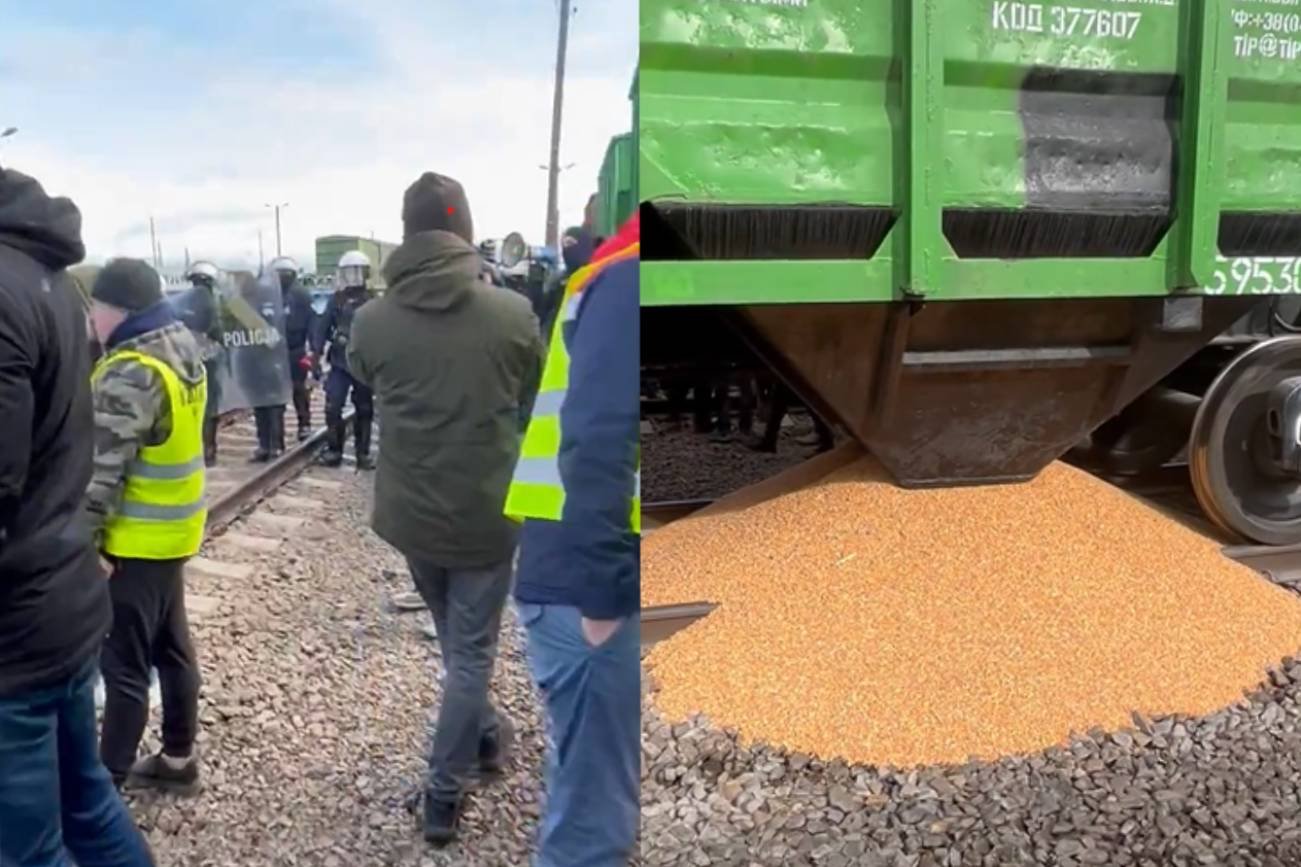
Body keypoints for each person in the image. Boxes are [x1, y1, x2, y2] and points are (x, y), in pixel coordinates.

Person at [347, 172, 544, 844]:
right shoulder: (513, 314)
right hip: (486, 513)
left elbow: (363, 372)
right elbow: (534, 389)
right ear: (464, 232)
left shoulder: (370, 320)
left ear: (405, 234)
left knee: (458, 647)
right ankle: (443, 792)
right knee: (470, 654)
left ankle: (486, 737)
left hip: (410, 515)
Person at [0, 166, 156, 865]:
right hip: (63, 598)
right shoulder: (49, 277)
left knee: (29, 850)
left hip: (16, 628)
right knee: (87, 802)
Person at [505, 211, 641, 867]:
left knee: (590, 797)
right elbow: (595, 437)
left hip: (575, 565)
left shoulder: (611, 272)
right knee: (592, 829)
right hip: (585, 581)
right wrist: (602, 600)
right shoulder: (628, 278)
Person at [84, 258, 206, 795]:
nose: (92, 321)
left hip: (133, 542)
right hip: (173, 533)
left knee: (125, 667)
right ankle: (179, 759)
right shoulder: (179, 349)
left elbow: (98, 472)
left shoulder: (131, 370)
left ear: (117, 309)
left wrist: (86, 546)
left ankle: (105, 789)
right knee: (173, 649)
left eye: (95, 310)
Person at [311, 250, 376, 469]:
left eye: (358, 271)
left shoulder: (373, 300)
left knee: (365, 408)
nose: (354, 276)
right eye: (350, 271)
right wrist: (315, 356)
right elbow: (321, 328)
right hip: (339, 362)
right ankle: (334, 450)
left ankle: (363, 453)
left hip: (365, 363)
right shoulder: (336, 300)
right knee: (333, 405)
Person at [177, 261, 224, 465]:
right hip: (209, 359)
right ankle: (209, 451)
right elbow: (218, 331)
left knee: (191, 404)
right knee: (210, 405)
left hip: (186, 359)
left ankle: (197, 450)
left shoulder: (183, 304)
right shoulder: (213, 303)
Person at [271, 256, 317, 441]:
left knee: (299, 389)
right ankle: (277, 434)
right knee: (276, 392)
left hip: (295, 348)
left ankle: (304, 424)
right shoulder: (270, 295)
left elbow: (312, 323)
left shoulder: (301, 295)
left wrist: (313, 350)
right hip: (274, 349)